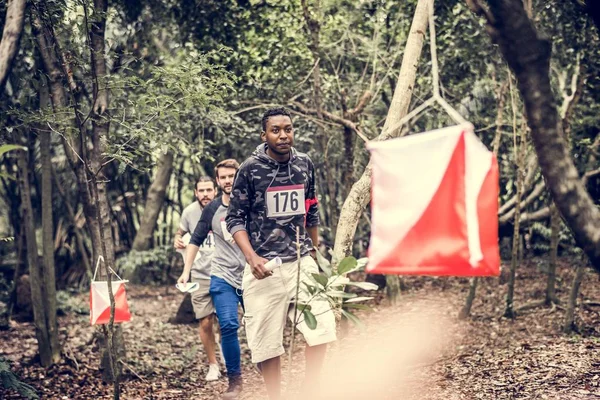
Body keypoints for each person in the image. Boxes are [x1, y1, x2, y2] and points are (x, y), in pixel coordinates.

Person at [226, 107, 337, 399]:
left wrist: (314, 253)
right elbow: (234, 218)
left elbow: (311, 209)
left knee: (323, 328)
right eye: (276, 130)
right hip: (264, 267)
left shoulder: (304, 164)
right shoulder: (249, 168)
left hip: (301, 260)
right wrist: (252, 258)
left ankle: (311, 388)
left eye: (288, 129)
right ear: (264, 135)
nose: (283, 135)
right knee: (265, 343)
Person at [179, 159, 246, 399]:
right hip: (222, 274)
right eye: (224, 177)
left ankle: (266, 368)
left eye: (232, 176)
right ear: (219, 181)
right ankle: (235, 381)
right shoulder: (212, 209)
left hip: (251, 274)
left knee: (259, 324)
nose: (228, 180)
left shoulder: (252, 202)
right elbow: (195, 239)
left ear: (240, 176)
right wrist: (186, 271)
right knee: (227, 325)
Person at [174, 176, 220, 382]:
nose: (205, 194)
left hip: (225, 273)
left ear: (215, 190)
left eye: (209, 190)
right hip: (200, 275)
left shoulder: (225, 208)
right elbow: (180, 233)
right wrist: (178, 240)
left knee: (227, 322)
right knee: (205, 322)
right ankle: (213, 365)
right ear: (195, 192)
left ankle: (228, 356)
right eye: (201, 191)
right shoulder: (189, 212)